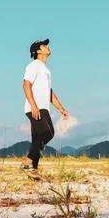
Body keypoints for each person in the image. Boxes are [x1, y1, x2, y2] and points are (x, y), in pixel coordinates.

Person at [20, 38, 69, 180]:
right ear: (37, 51)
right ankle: (27, 163)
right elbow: (26, 85)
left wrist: (61, 108)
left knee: (37, 139)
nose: (47, 47)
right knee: (48, 133)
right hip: (36, 107)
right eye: (44, 46)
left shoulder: (45, 69)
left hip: (42, 106)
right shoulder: (34, 65)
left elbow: (49, 92)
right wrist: (34, 105)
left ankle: (33, 173)